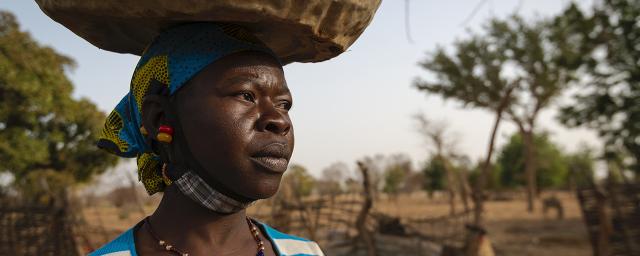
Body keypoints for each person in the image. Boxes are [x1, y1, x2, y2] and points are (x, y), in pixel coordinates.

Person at [90, 23, 324, 256]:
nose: (279, 121)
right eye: (246, 95)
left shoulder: (305, 252)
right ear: (159, 118)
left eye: (283, 104)